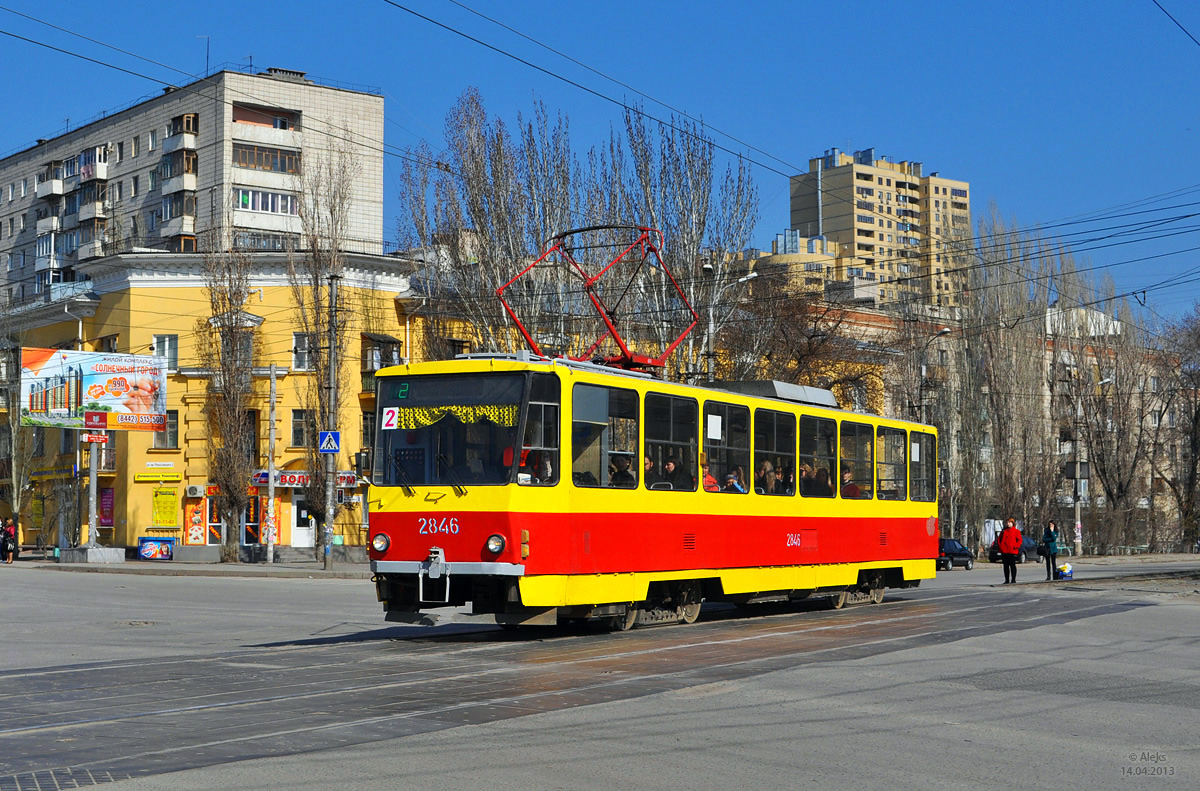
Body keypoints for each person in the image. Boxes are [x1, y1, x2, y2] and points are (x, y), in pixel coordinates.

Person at [999, 517, 1023, 584]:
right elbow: (999, 539)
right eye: (1007, 522)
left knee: (1012, 566)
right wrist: (1000, 545)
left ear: (1012, 523)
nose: (1008, 524)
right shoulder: (1004, 531)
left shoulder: (1016, 531)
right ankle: (1006, 580)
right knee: (1005, 566)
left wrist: (1015, 546)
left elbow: (1020, 540)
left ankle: (1013, 579)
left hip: (1012, 551)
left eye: (1009, 522)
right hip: (1004, 551)